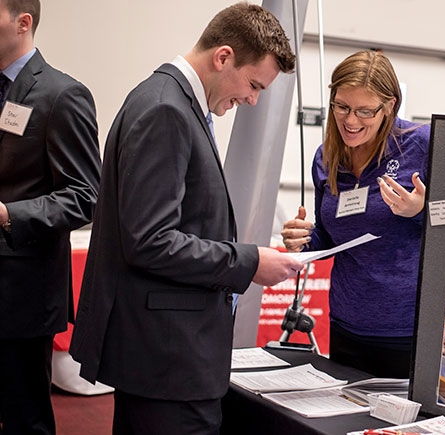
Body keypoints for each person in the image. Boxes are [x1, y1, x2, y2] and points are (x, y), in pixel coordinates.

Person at [69, 4, 301, 433]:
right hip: (167, 359)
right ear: (223, 57)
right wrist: (250, 262)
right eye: (252, 85)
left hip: (166, 353)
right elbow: (150, 241)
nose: (251, 99)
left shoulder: (173, 102)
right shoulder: (166, 110)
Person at [280, 50, 430, 378]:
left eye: (364, 111)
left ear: (389, 106)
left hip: (407, 330)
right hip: (347, 323)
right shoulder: (326, 157)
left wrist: (421, 211)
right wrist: (303, 240)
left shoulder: (421, 145)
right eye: (342, 107)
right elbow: (331, 235)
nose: (350, 121)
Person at [0, 1, 101, 433]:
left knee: (25, 418)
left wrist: (8, 214)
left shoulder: (61, 94)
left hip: (21, 293)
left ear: (23, 22)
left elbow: (85, 196)